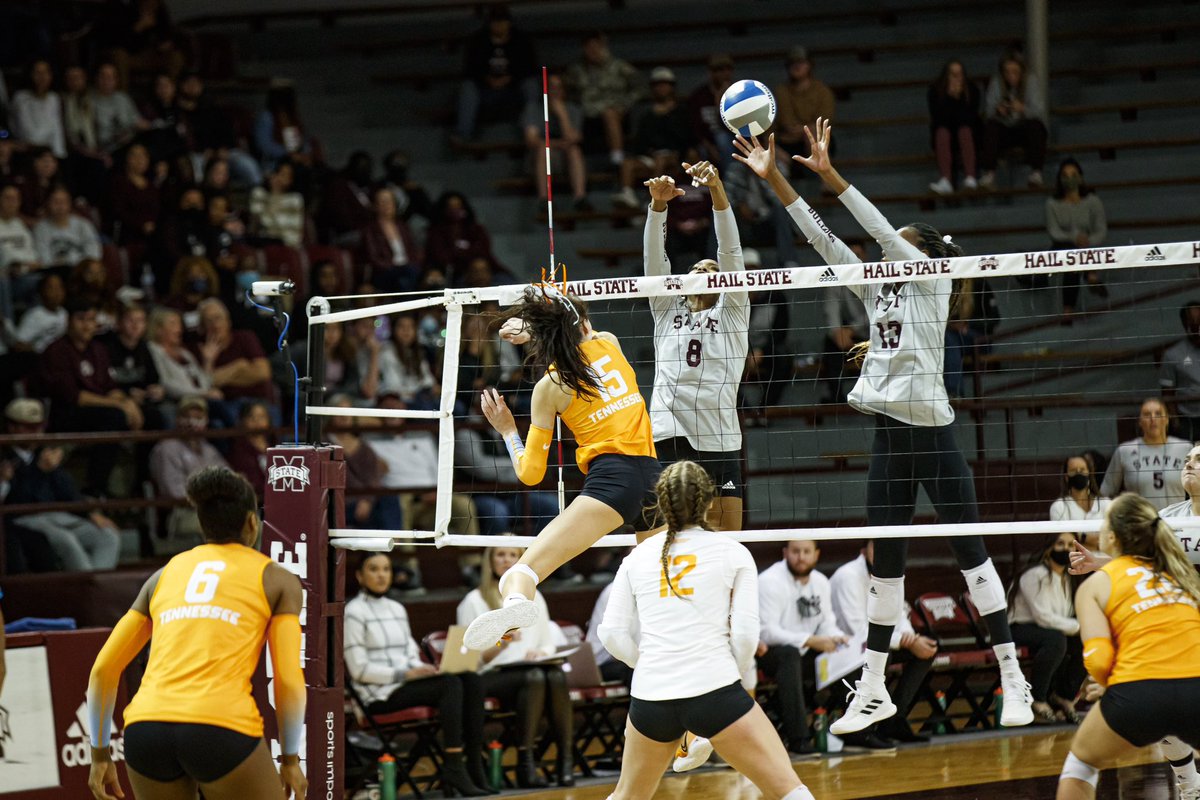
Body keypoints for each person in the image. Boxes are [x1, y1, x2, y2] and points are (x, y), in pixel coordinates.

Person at [733, 119, 1034, 734]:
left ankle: (1012, 676)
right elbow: (824, 243)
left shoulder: (931, 279)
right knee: (885, 567)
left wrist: (829, 174)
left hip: (932, 435)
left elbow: (868, 225)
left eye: (897, 242)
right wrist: (777, 179)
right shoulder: (881, 291)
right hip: (890, 439)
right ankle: (873, 687)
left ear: (920, 251)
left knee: (972, 555)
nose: (881, 249)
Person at [597, 460, 816, 800]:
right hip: (715, 691)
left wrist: (648, 664)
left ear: (660, 501)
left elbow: (610, 634)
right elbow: (745, 636)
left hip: (651, 698)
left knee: (627, 796)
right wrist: (732, 674)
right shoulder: (733, 552)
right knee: (790, 790)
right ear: (710, 502)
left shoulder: (636, 557)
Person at [85, 466, 307, 800]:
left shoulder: (162, 575)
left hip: (147, 730)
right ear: (252, 522)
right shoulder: (276, 579)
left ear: (202, 524)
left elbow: (103, 669)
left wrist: (100, 753)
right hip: (220, 728)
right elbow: (289, 681)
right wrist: (290, 758)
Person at [461, 284, 661, 651]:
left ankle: (516, 605)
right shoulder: (610, 343)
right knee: (656, 594)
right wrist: (533, 324)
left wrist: (508, 430)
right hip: (655, 481)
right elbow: (578, 322)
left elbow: (530, 474)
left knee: (521, 572)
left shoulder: (549, 386)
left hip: (610, 484)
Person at [1069, 444, 1200, 800]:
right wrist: (1098, 563)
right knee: (1163, 707)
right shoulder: (1170, 517)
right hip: (1181, 629)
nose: (1189, 465)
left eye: (1199, 460)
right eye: (1187, 459)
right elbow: (1139, 563)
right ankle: (1189, 783)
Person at [643, 160, 748, 531]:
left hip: (719, 436)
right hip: (669, 431)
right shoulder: (665, 308)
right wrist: (659, 207)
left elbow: (731, 250)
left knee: (726, 539)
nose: (705, 271)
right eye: (697, 269)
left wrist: (717, 189)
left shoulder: (733, 313)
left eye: (713, 270)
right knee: (661, 539)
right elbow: (655, 264)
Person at [347, 552, 492, 796]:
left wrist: (424, 669)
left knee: (471, 679)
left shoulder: (397, 608)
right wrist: (406, 674)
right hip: (378, 694)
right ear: (360, 576)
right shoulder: (353, 612)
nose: (381, 575)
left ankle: (474, 762)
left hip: (406, 683)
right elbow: (359, 669)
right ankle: (454, 765)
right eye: (374, 569)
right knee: (450, 685)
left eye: (386, 569)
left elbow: (411, 651)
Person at [457, 544, 573, 788]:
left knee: (554, 676)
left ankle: (565, 760)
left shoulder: (535, 596)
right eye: (500, 554)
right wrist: (501, 643)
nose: (506, 560)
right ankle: (525, 761)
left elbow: (548, 643)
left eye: (513, 555)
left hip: (532, 671)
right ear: (489, 561)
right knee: (536, 677)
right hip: (491, 676)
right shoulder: (473, 601)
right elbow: (467, 660)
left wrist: (540, 652)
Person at [830, 540, 937, 744]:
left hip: (875, 645)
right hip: (844, 650)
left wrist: (910, 637)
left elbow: (899, 615)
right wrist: (904, 642)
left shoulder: (892, 572)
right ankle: (862, 729)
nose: (882, 552)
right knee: (881, 654)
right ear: (864, 550)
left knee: (928, 647)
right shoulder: (848, 576)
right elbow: (858, 631)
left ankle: (893, 720)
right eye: (876, 547)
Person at [4, 397, 122, 572]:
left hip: (58, 514)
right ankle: (91, 589)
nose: (36, 432)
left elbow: (67, 490)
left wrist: (89, 514)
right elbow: (14, 499)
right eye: (28, 427)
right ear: (12, 427)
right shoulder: (4, 455)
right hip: (26, 517)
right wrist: (39, 472)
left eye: (39, 427)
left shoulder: (45, 452)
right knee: (66, 540)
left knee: (108, 535)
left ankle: (95, 587)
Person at [757, 540, 851, 753]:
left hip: (806, 651)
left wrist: (838, 638)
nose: (801, 557)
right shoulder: (769, 581)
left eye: (806, 552)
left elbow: (827, 623)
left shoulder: (820, 582)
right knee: (789, 655)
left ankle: (855, 731)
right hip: (771, 653)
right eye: (795, 551)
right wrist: (810, 640)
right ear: (785, 553)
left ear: (816, 554)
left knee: (849, 654)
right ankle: (798, 738)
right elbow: (767, 632)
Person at [1009, 533, 1086, 724]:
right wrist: (1078, 626)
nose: (1066, 549)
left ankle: (1064, 696)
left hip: (1051, 629)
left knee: (1089, 640)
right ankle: (1038, 699)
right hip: (1020, 629)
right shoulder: (1035, 575)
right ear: (1048, 548)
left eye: (1070, 545)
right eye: (1060, 544)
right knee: (1055, 640)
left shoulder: (1068, 577)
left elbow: (1063, 616)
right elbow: (1043, 617)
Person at [149, 395, 229, 547]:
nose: (192, 422)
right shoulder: (167, 449)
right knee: (225, 527)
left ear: (206, 420)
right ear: (177, 419)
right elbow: (174, 491)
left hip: (213, 509)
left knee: (251, 524)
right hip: (181, 514)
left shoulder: (209, 449)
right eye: (186, 416)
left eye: (198, 417)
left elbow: (228, 479)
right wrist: (211, 497)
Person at [456, 3, 537, 143]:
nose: (499, 25)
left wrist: (510, 79)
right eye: (495, 22)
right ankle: (463, 135)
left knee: (531, 86)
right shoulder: (478, 40)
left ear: (509, 23)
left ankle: (532, 133)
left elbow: (530, 68)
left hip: (514, 89)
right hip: (486, 89)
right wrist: (488, 80)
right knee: (467, 88)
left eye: (502, 22)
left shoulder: (521, 40)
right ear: (490, 24)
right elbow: (470, 70)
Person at [613, 68, 693, 209]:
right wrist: (648, 150)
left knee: (660, 160)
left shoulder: (681, 111)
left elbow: (686, 137)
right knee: (627, 164)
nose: (661, 88)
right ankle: (628, 194)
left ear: (672, 87)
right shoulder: (646, 114)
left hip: (674, 155)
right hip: (651, 154)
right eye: (657, 84)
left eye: (665, 84)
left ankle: (651, 200)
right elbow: (640, 140)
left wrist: (666, 116)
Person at [564, 32, 643, 166]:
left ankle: (617, 158)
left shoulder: (619, 66)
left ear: (603, 47)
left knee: (609, 113)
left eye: (596, 47)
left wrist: (625, 104)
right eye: (588, 47)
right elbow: (566, 90)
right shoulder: (576, 70)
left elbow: (640, 87)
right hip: (587, 115)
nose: (592, 51)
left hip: (615, 111)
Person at [1099, 398, 1190, 510]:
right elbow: (1105, 494)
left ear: (1166, 419)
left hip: (1176, 524)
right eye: (1147, 414)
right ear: (1140, 422)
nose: (1153, 419)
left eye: (1158, 413)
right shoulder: (1125, 451)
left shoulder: (1185, 449)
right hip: (1139, 524)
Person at [1046, 159, 1107, 315]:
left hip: (1087, 246)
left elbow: (1101, 230)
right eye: (1065, 175)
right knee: (1071, 254)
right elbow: (1054, 232)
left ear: (1080, 177)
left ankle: (1068, 310)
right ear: (1060, 179)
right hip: (1063, 246)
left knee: (1073, 261)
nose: (1070, 179)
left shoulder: (1093, 201)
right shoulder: (1052, 203)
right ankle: (1091, 275)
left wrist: (1087, 240)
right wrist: (1075, 238)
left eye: (1073, 174)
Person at [979, 55, 1048, 189]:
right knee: (990, 128)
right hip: (1004, 128)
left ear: (1021, 71)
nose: (1011, 76)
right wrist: (998, 111)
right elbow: (988, 111)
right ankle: (989, 174)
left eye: (1015, 72)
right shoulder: (997, 82)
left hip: (1024, 127)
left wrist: (1023, 109)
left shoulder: (1030, 82)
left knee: (1037, 127)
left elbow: (1039, 111)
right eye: (1007, 72)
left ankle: (1036, 173)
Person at [524, 74, 589, 210]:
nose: (555, 92)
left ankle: (580, 198)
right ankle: (544, 200)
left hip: (566, 158)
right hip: (540, 159)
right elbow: (532, 140)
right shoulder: (534, 109)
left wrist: (562, 115)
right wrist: (559, 144)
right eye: (551, 88)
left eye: (558, 88)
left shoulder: (572, 109)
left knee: (575, 150)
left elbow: (574, 138)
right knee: (543, 149)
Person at [820, 239, 870, 403]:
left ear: (865, 257)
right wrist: (837, 332)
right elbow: (830, 308)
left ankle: (871, 397)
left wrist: (852, 329)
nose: (853, 259)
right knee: (830, 344)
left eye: (857, 255)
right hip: (848, 338)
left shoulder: (875, 276)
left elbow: (877, 311)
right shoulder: (837, 277)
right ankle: (836, 397)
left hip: (872, 333)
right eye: (850, 256)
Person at [927, 59, 981, 194]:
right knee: (942, 132)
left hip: (968, 132)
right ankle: (946, 180)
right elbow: (939, 119)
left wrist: (959, 98)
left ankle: (970, 177)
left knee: (965, 130)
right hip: (945, 133)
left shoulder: (972, 90)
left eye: (959, 74)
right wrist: (950, 98)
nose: (956, 78)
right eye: (952, 74)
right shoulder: (935, 91)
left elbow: (970, 118)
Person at [773, 47, 835, 159]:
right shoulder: (780, 92)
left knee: (815, 136)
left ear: (809, 65)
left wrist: (805, 131)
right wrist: (805, 129)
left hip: (812, 140)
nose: (797, 66)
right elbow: (787, 125)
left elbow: (821, 125)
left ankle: (821, 174)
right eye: (792, 63)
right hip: (786, 144)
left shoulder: (822, 91)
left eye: (801, 62)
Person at [34, 186, 102, 269]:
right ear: (48, 204)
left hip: (81, 271)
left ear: (70, 204)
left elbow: (93, 252)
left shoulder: (83, 225)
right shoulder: (41, 228)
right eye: (56, 202)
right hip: (54, 271)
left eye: (63, 202)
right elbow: (42, 256)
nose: (60, 207)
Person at [1160, 301, 1200, 444]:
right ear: (1185, 325)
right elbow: (1167, 393)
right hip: (1187, 419)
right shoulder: (1172, 355)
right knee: (1190, 462)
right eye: (1194, 323)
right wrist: (1176, 423)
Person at [1050, 453, 1111, 544]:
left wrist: (1080, 538)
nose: (1078, 473)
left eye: (1082, 470)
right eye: (1073, 470)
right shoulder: (1059, 507)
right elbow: (1066, 542)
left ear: (1089, 474)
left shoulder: (1106, 504)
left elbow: (1112, 539)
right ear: (1067, 477)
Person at [11, 59, 66, 158]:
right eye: (38, 73)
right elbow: (26, 131)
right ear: (30, 75)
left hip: (49, 152)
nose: (42, 77)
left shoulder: (54, 98)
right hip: (28, 150)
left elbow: (56, 128)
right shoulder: (21, 98)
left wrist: (59, 154)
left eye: (46, 72)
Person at [248, 159, 304, 247]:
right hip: (266, 245)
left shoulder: (295, 199)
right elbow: (259, 225)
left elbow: (295, 236)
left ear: (291, 180)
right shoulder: (259, 194)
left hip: (288, 248)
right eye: (279, 173)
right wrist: (275, 195)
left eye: (285, 175)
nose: (280, 178)